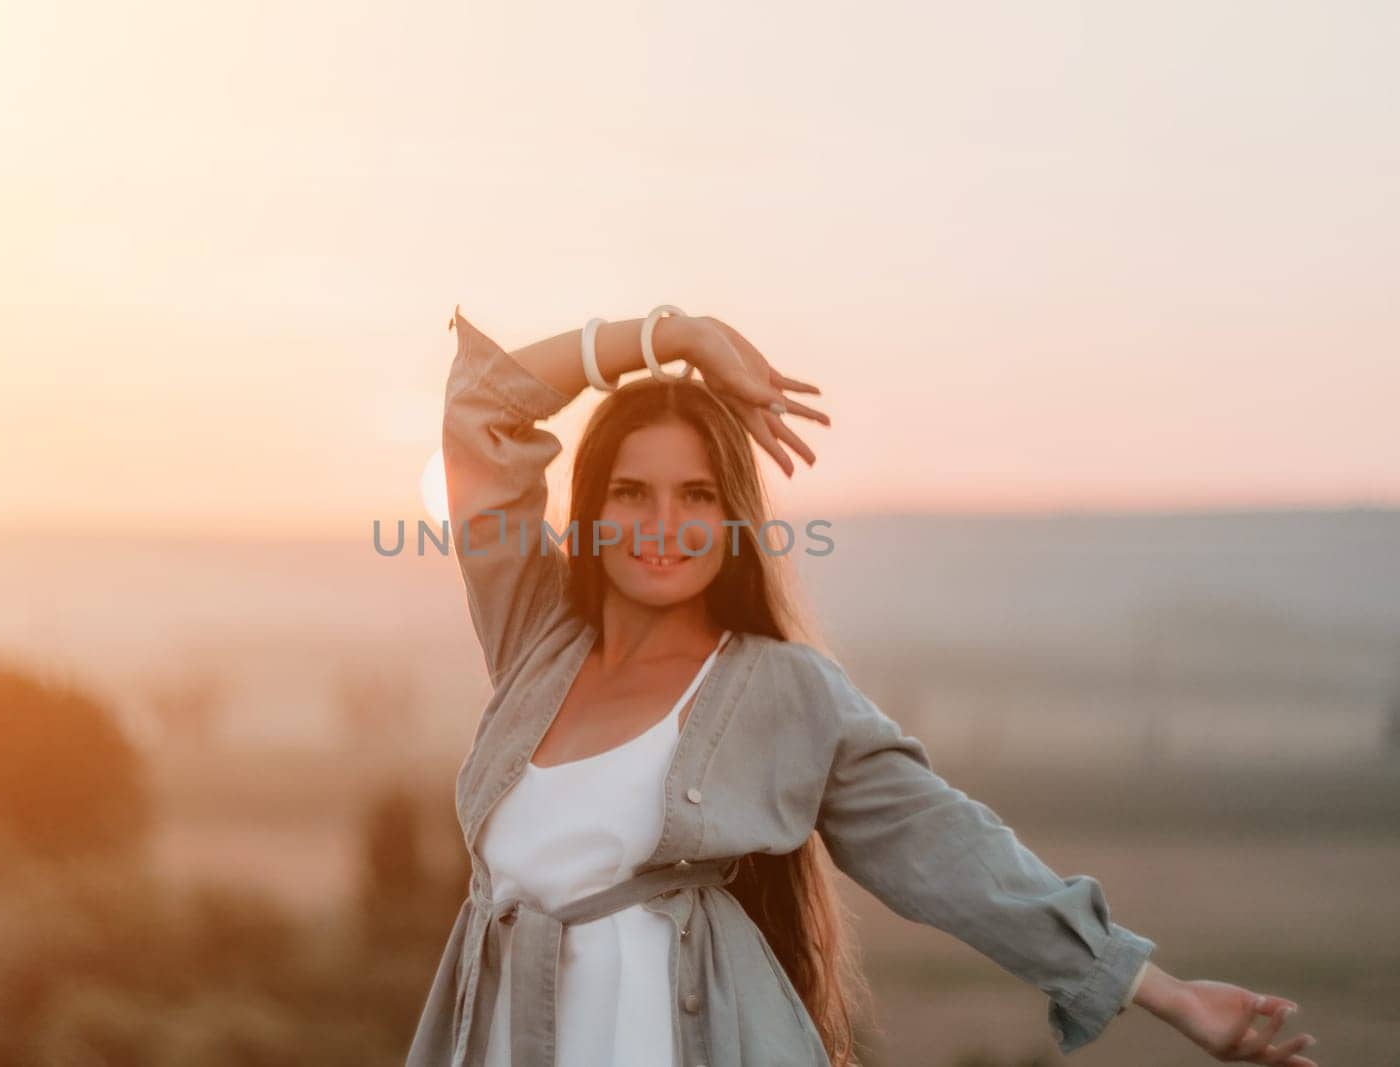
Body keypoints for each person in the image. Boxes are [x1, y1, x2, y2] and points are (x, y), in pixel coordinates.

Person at [405, 305, 1320, 1067]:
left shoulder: (781, 690)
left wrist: (1161, 992)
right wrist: (671, 336)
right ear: (594, 509)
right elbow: (483, 409)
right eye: (631, 492)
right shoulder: (536, 635)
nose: (661, 525)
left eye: (696, 495)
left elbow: (953, 850)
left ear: (734, 520)